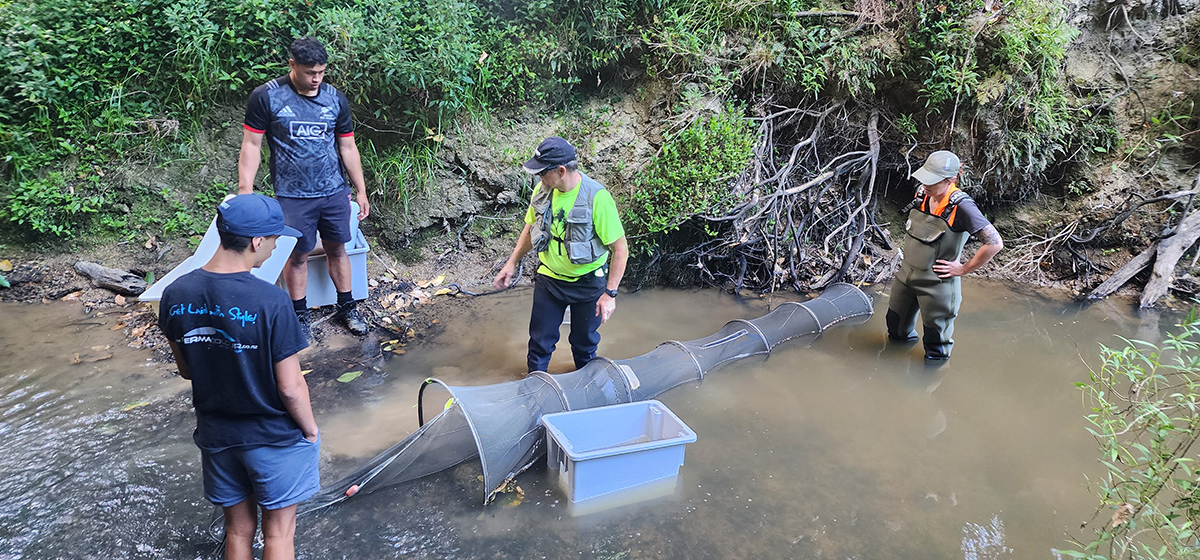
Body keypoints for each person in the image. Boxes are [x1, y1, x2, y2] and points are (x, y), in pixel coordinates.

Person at [159, 194, 319, 560]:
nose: (276, 246)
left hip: (217, 435)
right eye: (275, 239)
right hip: (272, 436)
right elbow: (290, 387)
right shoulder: (271, 300)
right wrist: (309, 430)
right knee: (279, 535)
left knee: (237, 531)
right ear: (256, 242)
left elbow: (187, 370)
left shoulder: (174, 294)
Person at [237, 36, 370, 340]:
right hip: (292, 194)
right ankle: (300, 315)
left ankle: (347, 308)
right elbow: (251, 144)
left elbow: (347, 146)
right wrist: (246, 188)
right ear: (292, 65)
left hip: (333, 190)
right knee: (297, 254)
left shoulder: (334, 98)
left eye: (321, 73)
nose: (316, 80)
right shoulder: (267, 97)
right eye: (310, 73)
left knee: (338, 248)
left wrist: (360, 190)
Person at [493, 137, 629, 372]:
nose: (539, 179)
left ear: (561, 170)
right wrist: (511, 263)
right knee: (539, 344)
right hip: (549, 280)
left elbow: (620, 249)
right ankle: (535, 393)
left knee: (584, 346)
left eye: (542, 173)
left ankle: (585, 395)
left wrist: (610, 294)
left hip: (588, 283)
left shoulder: (597, 198)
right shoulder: (543, 190)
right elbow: (530, 227)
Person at [887, 150, 1003, 362]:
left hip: (937, 284)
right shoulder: (922, 194)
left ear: (951, 179)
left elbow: (994, 243)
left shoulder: (962, 206)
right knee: (895, 327)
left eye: (932, 181)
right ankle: (891, 370)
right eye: (925, 178)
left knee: (936, 345)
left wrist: (963, 269)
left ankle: (930, 387)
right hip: (906, 277)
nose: (925, 185)